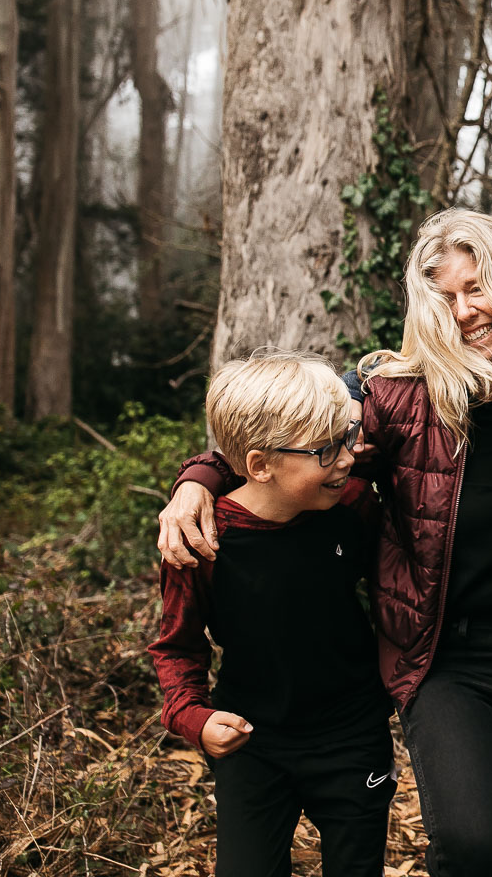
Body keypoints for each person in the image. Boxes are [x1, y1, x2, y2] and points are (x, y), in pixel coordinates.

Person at [158, 209, 492, 877]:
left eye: (479, 287)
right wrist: (198, 478)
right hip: (450, 660)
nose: (466, 311)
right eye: (446, 298)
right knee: (477, 846)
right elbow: (285, 439)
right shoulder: (399, 397)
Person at [148, 351, 393, 877]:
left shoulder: (353, 507)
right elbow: (177, 645)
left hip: (353, 736)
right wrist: (193, 718)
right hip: (252, 740)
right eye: (325, 451)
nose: (346, 459)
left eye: (344, 440)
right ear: (259, 464)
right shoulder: (202, 541)